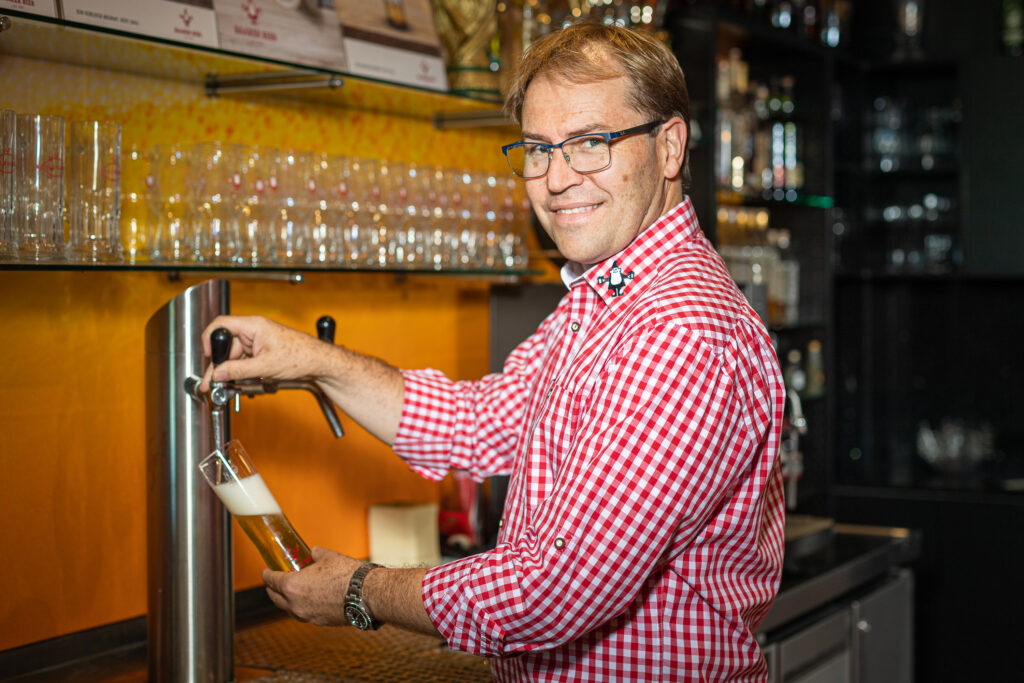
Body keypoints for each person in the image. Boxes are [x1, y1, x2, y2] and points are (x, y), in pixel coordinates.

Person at [201, 21, 785, 682]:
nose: (556, 179)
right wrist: (311, 359)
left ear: (669, 145)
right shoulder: (606, 299)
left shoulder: (680, 330)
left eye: (590, 144)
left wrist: (361, 591)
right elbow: (473, 422)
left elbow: (554, 591)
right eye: (538, 149)